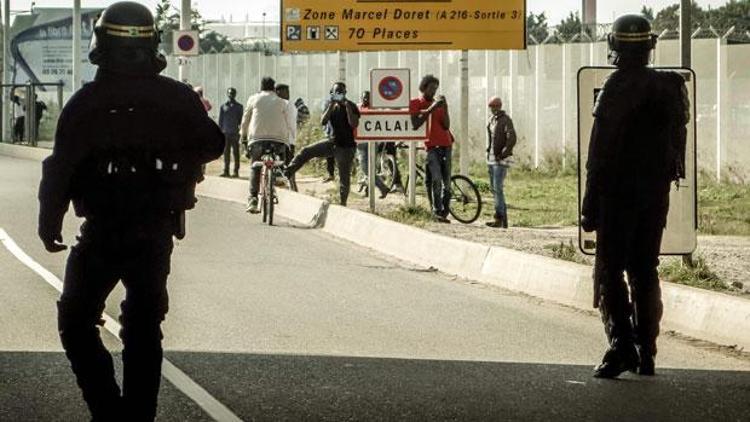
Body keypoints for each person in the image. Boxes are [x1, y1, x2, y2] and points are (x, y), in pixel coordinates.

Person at [37, 2, 224, 420]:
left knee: (76, 320)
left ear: (101, 44)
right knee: (143, 329)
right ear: (152, 43)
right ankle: (138, 416)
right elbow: (213, 144)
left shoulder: (87, 101)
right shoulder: (176, 97)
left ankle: (108, 411)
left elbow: (60, 167)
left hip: (102, 230)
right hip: (155, 231)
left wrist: (49, 221)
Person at [581, 14, 689, 379]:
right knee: (645, 268)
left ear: (613, 46)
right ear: (650, 46)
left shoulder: (616, 86)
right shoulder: (671, 86)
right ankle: (647, 351)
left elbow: (600, 153)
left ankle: (621, 346)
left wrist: (589, 204)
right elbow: (678, 144)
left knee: (609, 271)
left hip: (617, 194)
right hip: (656, 193)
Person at [285, 82, 360, 206]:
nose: (339, 94)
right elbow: (323, 121)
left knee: (344, 178)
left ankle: (343, 203)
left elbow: (354, 124)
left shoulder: (351, 105)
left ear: (345, 93)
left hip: (346, 147)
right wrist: (331, 106)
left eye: (341, 92)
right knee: (306, 151)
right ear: (332, 93)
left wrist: (347, 108)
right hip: (332, 142)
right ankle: (288, 171)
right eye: (336, 92)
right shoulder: (330, 105)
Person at [240, 76, 292, 213]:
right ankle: (279, 175)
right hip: (278, 140)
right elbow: (290, 123)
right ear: (274, 88)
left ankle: (252, 199)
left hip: (257, 139)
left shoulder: (253, 99)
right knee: (279, 159)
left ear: (261, 87)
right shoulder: (282, 102)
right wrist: (290, 140)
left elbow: (245, 120)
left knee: (255, 166)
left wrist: (243, 138)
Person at [410, 74, 453, 223]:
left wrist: (445, 108)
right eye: (431, 88)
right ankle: (437, 211)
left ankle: (445, 209)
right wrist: (430, 109)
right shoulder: (416, 103)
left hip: (446, 144)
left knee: (447, 181)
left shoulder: (438, 104)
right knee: (436, 179)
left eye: (436, 88)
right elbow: (415, 124)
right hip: (431, 146)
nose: (433, 91)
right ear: (424, 87)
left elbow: (446, 125)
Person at [485, 96, 516, 229]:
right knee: (494, 189)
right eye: (492, 107)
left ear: (500, 106)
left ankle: (500, 218)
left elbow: (512, 138)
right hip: (491, 158)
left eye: (496, 106)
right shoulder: (491, 120)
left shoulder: (505, 120)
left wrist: (503, 153)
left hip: (500, 159)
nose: (493, 109)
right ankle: (502, 219)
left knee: (498, 188)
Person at [356, 90, 389, 198]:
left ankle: (381, 188)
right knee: (366, 169)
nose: (366, 99)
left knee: (368, 169)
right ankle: (376, 188)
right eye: (364, 97)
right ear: (361, 98)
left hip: (372, 143)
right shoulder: (357, 108)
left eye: (368, 98)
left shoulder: (375, 109)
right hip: (361, 143)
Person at [219, 87, 244, 178]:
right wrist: (220, 132)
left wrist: (241, 132)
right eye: (229, 93)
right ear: (227, 94)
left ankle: (236, 171)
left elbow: (241, 120)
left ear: (235, 94)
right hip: (226, 133)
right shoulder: (223, 106)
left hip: (235, 133)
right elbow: (220, 120)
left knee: (236, 153)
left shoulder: (239, 107)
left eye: (232, 93)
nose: (231, 95)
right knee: (226, 153)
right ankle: (226, 171)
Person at [275, 83, 298, 159]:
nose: (288, 94)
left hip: (270, 139)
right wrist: (294, 137)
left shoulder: (271, 104)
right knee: (288, 164)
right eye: (286, 92)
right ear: (278, 92)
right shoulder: (288, 104)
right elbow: (292, 124)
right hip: (286, 140)